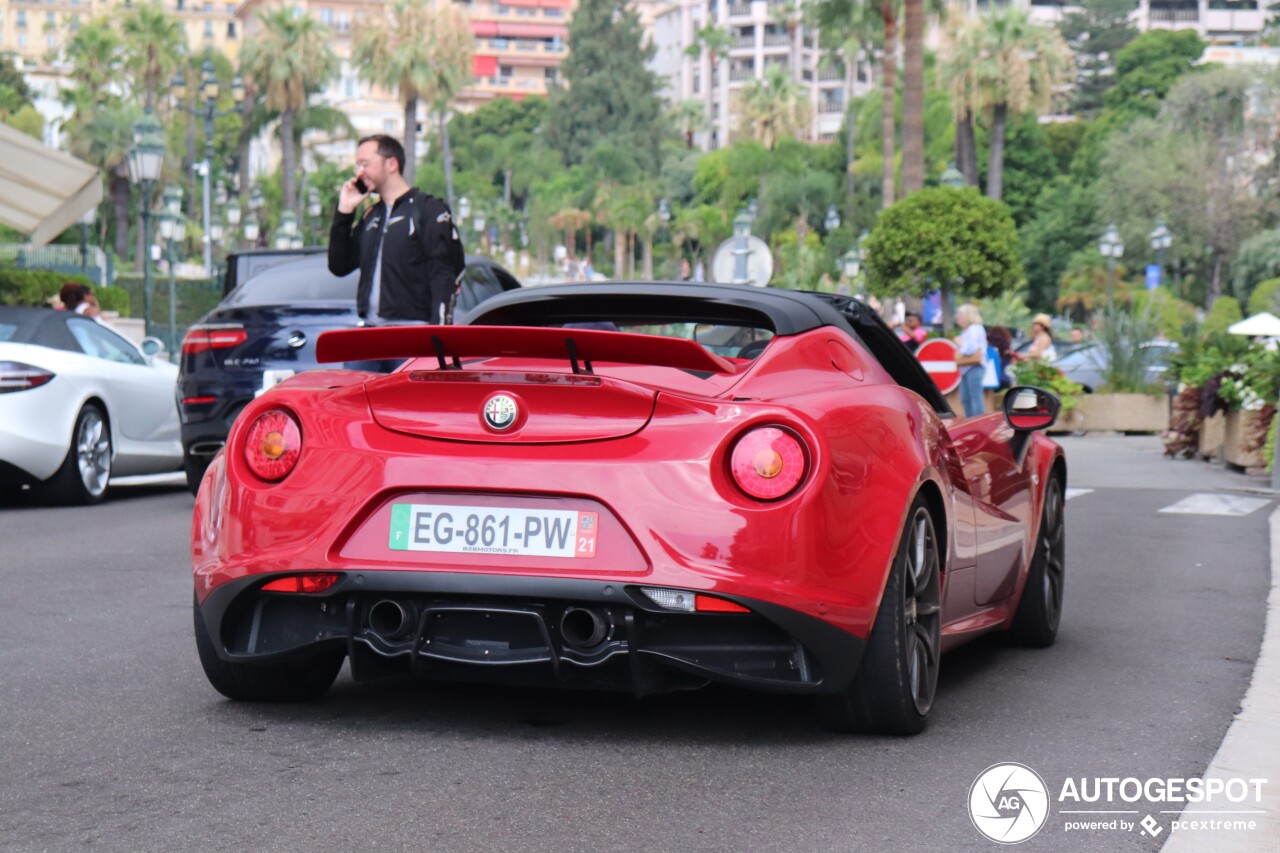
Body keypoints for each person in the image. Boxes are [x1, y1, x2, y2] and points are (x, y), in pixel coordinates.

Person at [328, 134, 465, 329]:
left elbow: (443, 273)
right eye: (357, 166)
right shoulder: (371, 216)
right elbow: (339, 265)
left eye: (365, 164)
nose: (359, 173)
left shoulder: (428, 209)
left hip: (414, 329)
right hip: (371, 329)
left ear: (391, 164)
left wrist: (439, 331)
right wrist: (344, 211)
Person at [954, 303, 988, 417]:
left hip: (974, 367)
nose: (957, 317)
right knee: (965, 398)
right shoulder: (968, 330)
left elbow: (971, 348)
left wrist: (960, 343)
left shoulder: (974, 329)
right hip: (967, 368)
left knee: (975, 398)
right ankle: (971, 420)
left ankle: (978, 421)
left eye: (959, 314)